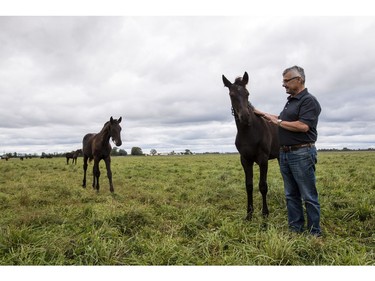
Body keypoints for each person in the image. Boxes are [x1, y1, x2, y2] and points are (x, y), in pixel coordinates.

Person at [261, 65, 322, 236]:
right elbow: (280, 119)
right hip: (285, 154)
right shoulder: (291, 101)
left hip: (301, 153)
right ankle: (295, 229)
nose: (284, 84)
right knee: (290, 195)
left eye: (287, 81)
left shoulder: (309, 100)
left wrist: (278, 122)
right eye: (283, 81)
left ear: (299, 80)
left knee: (308, 196)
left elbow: (303, 126)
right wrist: (262, 113)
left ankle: (314, 233)